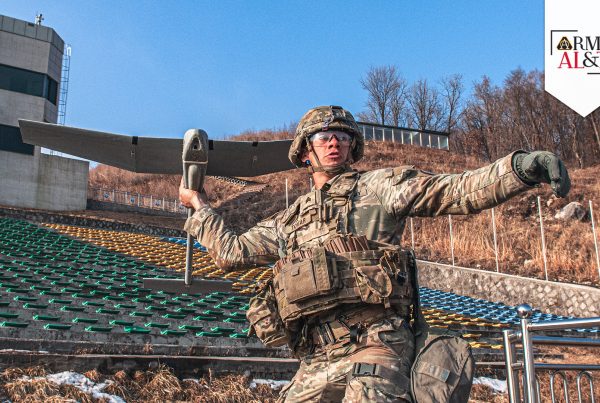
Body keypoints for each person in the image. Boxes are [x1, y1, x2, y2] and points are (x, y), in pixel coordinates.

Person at [179, 105, 570, 402]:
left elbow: (457, 190)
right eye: (323, 136)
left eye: (342, 137)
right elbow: (231, 251)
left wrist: (519, 169)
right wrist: (199, 205)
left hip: (378, 342)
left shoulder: (380, 187)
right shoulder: (288, 221)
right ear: (303, 153)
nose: (334, 142)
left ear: (352, 148)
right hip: (317, 356)